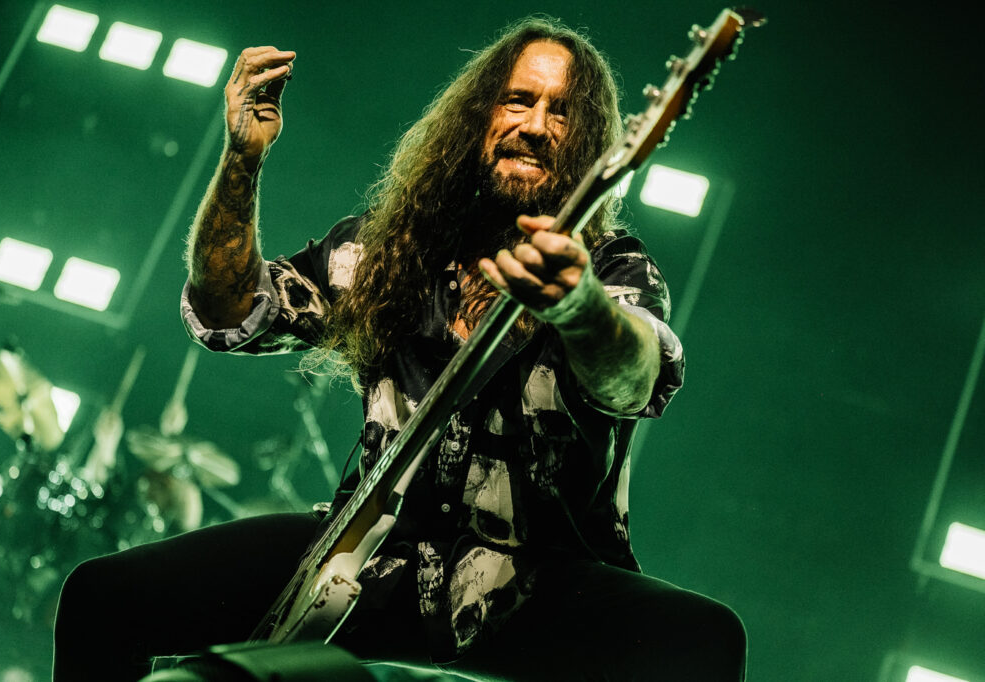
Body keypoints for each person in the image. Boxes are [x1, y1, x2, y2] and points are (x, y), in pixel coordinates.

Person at [53, 16, 746, 682]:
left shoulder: (612, 268)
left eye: (561, 112)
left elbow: (634, 378)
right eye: (518, 100)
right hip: (364, 557)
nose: (536, 125)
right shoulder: (383, 251)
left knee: (705, 640)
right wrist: (241, 161)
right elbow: (228, 309)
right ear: (478, 118)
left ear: (590, 143)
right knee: (102, 596)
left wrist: (580, 307)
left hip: (540, 582)